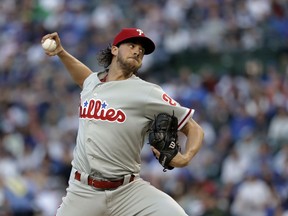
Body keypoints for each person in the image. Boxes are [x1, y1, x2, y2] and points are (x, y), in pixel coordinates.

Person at [41, 28, 204, 216]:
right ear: (115, 49)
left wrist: (185, 158)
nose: (137, 51)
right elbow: (84, 78)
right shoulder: (93, 82)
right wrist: (61, 52)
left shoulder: (147, 92)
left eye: (141, 51)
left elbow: (194, 129)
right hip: (82, 192)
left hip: (128, 192)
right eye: (132, 46)